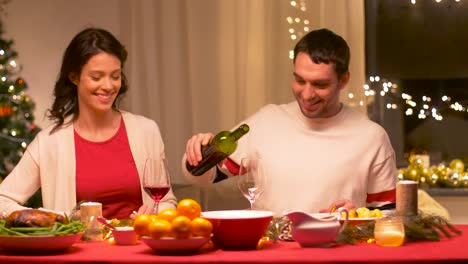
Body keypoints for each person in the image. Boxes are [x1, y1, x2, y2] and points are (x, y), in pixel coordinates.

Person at [182, 28, 397, 215]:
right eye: (300, 80)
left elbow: (389, 215)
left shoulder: (371, 137)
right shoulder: (266, 122)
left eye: (320, 84)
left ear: (344, 80)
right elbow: (203, 177)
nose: (307, 94)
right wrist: (199, 152)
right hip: (271, 253)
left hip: (335, 253)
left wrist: (357, 216)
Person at [0, 27, 177, 219]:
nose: (108, 86)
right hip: (80, 248)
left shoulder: (146, 131)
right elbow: (3, 199)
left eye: (115, 76)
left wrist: (156, 213)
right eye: (96, 77)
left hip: (139, 247)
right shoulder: (48, 142)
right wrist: (49, 217)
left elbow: (167, 201)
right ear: (74, 77)